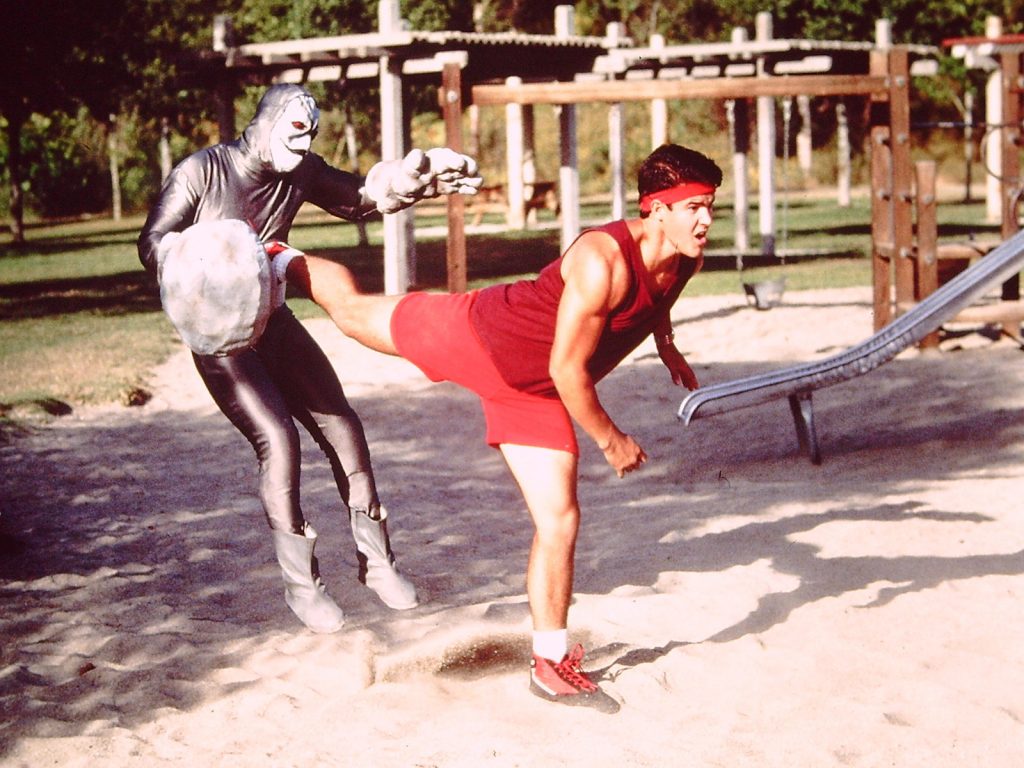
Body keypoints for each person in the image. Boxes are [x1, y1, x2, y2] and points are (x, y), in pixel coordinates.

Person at [275, 143, 722, 708]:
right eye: (694, 208)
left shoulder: (685, 256)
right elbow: (568, 369)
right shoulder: (601, 260)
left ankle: (549, 663)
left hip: (536, 395)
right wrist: (611, 439)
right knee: (353, 313)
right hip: (481, 337)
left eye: (710, 207)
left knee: (560, 520)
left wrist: (668, 345)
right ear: (657, 209)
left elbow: (657, 303)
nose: (706, 221)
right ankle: (281, 256)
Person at [137, 83, 482, 634]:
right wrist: (213, 261)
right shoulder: (202, 171)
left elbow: (355, 196)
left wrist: (407, 182)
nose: (303, 143)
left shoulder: (298, 170)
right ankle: (302, 584)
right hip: (222, 336)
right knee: (278, 440)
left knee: (342, 424)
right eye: (295, 130)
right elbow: (152, 242)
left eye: (311, 134)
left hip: (273, 318)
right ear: (265, 123)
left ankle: (378, 561)